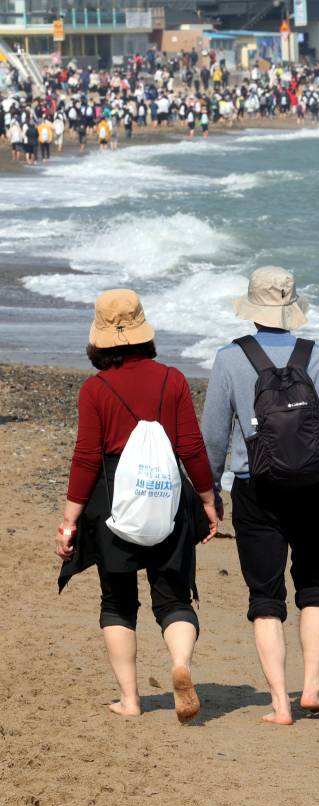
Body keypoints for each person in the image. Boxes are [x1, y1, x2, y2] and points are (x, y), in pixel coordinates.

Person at [202, 267, 319, 726]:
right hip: (314, 484)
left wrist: (208, 494)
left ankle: (280, 704)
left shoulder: (230, 359)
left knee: (265, 594)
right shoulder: (314, 357)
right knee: (314, 584)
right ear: (291, 309)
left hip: (256, 486)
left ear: (252, 308)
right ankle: (312, 686)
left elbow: (213, 436)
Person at [55, 289, 220, 723]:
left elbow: (87, 457)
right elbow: (191, 448)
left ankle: (130, 701)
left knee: (117, 601)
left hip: (113, 501)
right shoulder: (173, 380)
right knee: (173, 597)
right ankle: (180, 663)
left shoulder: (95, 389)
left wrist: (70, 521)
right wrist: (207, 500)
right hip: (168, 498)